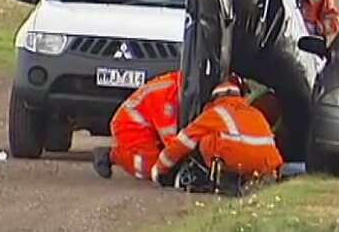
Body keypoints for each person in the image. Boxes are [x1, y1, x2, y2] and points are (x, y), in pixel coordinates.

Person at [150, 74, 283, 187]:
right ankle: (252, 180)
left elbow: (183, 142)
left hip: (236, 162)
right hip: (268, 165)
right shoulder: (255, 112)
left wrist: (159, 168)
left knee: (206, 141)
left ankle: (221, 179)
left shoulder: (215, 113)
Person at [91, 70, 182, 180]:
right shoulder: (167, 94)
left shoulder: (179, 85)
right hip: (129, 124)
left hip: (148, 126)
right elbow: (172, 140)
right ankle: (111, 155)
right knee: (152, 168)